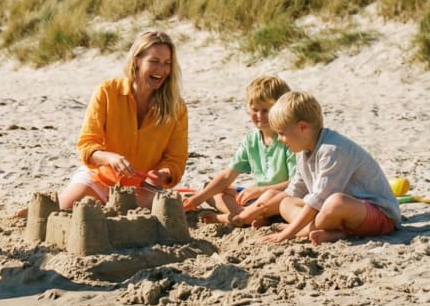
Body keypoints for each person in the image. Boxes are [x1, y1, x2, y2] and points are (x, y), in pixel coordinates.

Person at [57, 29, 188, 211]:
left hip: (143, 188)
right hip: (100, 179)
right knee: (65, 207)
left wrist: (163, 174)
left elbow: (176, 159)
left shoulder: (177, 107)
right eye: (154, 62)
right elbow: (87, 145)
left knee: (158, 214)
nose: (161, 70)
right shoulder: (107, 91)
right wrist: (110, 158)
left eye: (167, 63)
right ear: (137, 60)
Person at [260, 91, 401, 245]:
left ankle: (306, 231)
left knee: (336, 202)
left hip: (378, 215)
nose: (279, 139)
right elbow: (295, 190)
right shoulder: (302, 151)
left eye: (281, 133)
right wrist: (255, 211)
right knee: (286, 203)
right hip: (331, 213)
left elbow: (318, 199)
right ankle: (333, 232)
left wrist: (288, 232)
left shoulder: (332, 150)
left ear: (302, 127)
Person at [183, 75, 296, 225]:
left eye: (266, 110)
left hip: (280, 197)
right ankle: (246, 215)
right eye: (255, 110)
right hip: (258, 197)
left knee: (268, 195)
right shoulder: (252, 139)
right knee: (209, 190)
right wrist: (195, 200)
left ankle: (235, 217)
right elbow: (227, 176)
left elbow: (296, 183)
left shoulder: (288, 139)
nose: (259, 116)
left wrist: (260, 191)